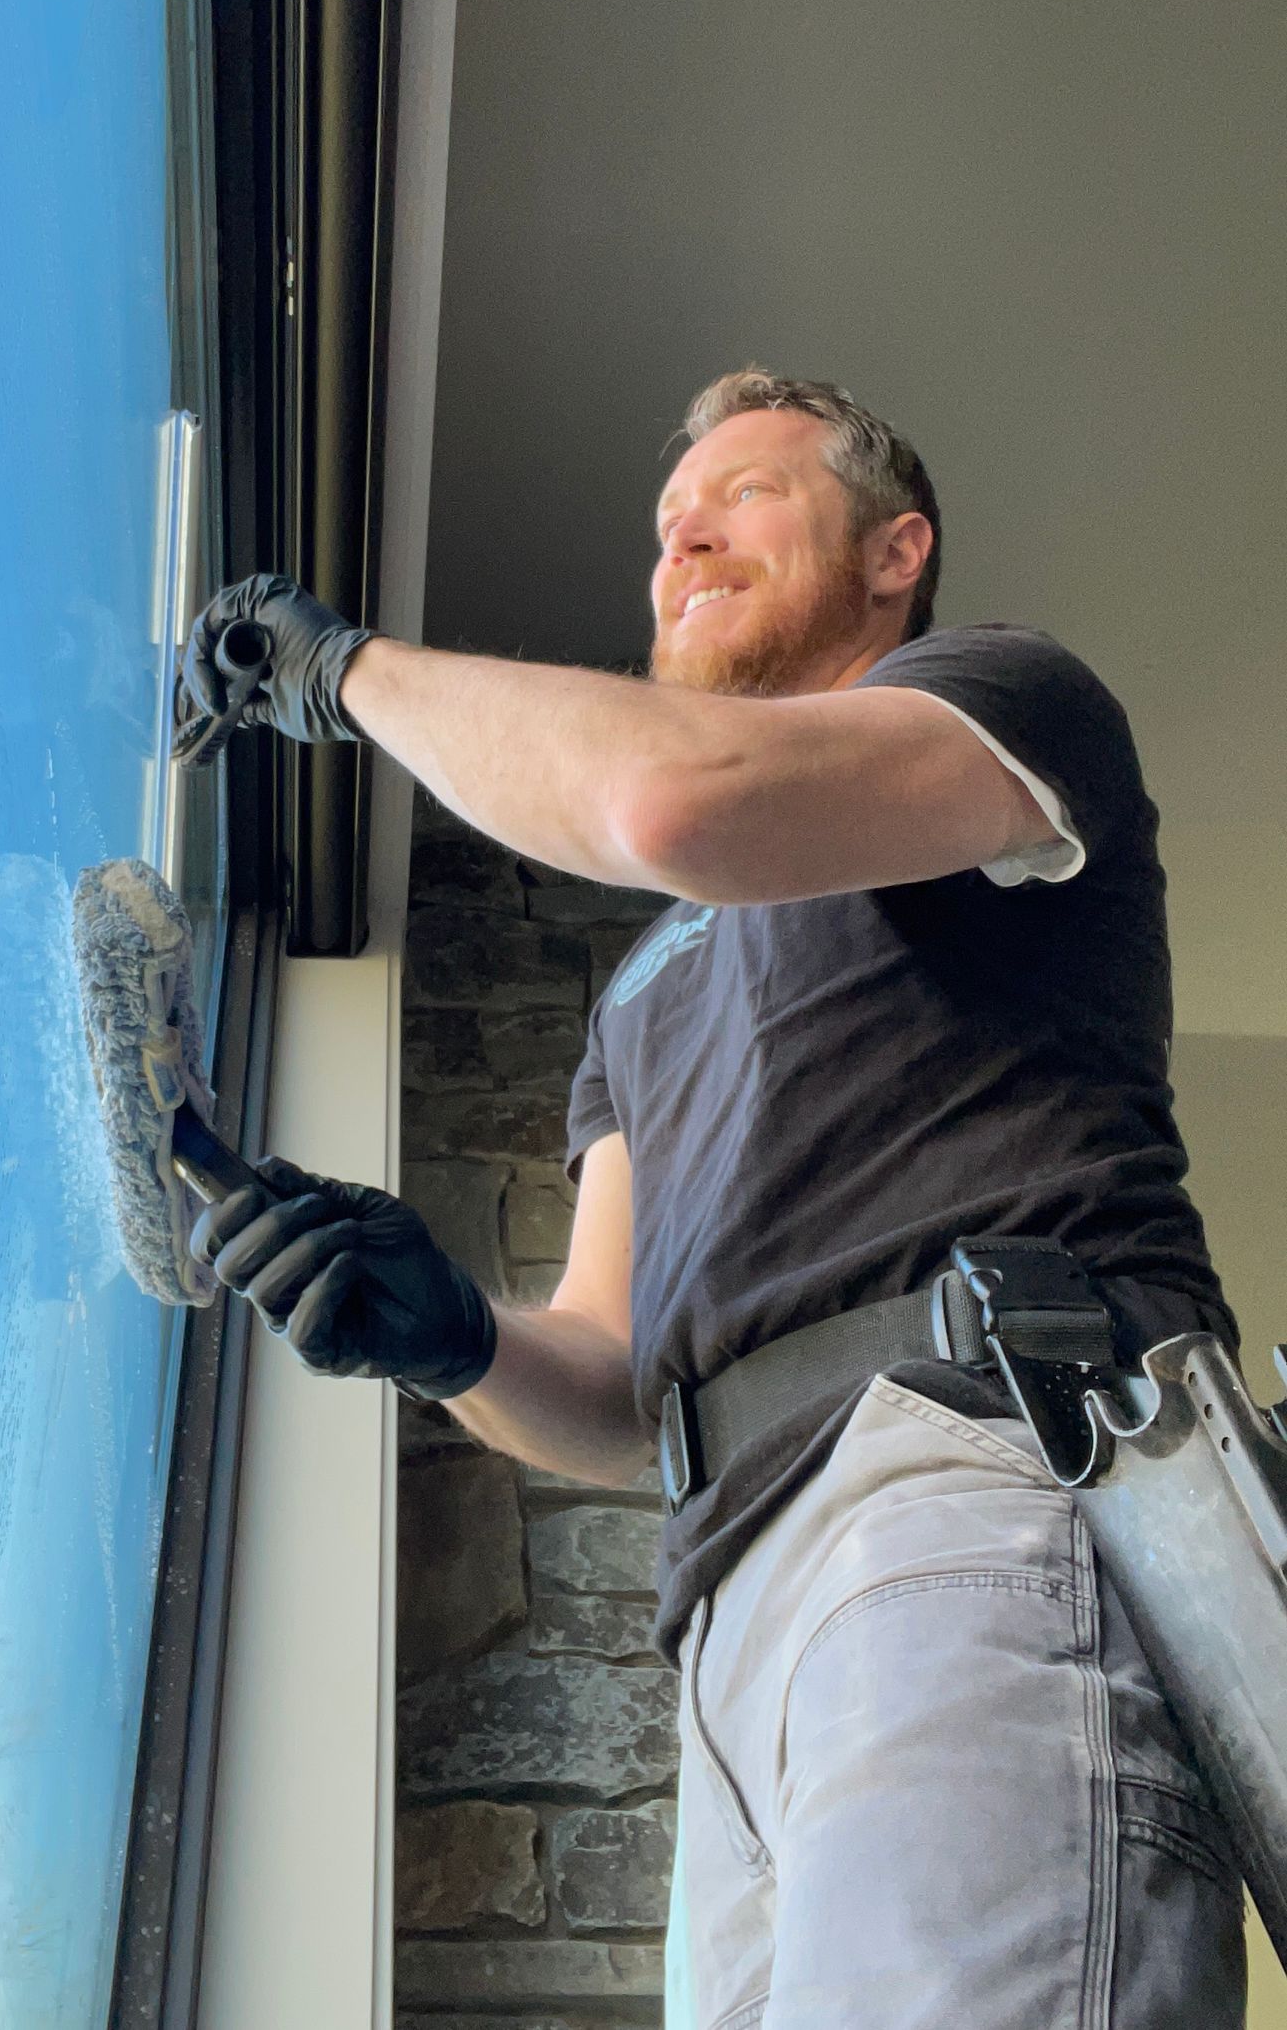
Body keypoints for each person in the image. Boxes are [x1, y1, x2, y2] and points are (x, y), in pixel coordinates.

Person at [181, 367, 1246, 2028]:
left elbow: (672, 800)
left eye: (744, 493)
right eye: (669, 518)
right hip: (728, 1622)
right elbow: (611, 1390)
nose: (682, 529)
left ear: (897, 550)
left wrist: (343, 673)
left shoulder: (1006, 703)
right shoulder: (636, 1000)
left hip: (958, 1478)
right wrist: (454, 1337)